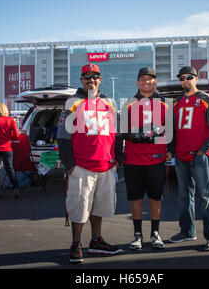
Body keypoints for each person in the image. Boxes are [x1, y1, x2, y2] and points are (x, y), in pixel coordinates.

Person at [57, 63, 122, 264]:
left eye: (95, 77)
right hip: (82, 166)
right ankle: (76, 244)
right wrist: (69, 165)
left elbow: (117, 134)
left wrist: (118, 158)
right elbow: (63, 136)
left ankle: (96, 240)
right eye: (87, 77)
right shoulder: (72, 103)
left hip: (106, 165)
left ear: (100, 79)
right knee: (80, 206)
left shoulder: (109, 103)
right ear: (81, 80)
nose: (91, 80)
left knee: (100, 206)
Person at [167, 66, 209, 251]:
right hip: (181, 157)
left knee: (206, 196)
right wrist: (172, 150)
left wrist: (204, 151)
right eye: (182, 78)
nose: (185, 81)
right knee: (184, 197)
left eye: (188, 77)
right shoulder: (177, 103)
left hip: (200, 157)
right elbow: (174, 131)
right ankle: (187, 231)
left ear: (196, 78)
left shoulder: (207, 99)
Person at [119, 67, 169, 250]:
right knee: (136, 198)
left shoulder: (165, 103)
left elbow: (171, 130)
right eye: (143, 79)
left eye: (150, 79)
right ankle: (137, 233)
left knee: (156, 197)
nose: (146, 82)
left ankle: (155, 233)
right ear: (137, 82)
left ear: (155, 81)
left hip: (156, 159)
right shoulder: (129, 104)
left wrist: (162, 143)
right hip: (133, 159)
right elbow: (122, 131)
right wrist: (135, 136)